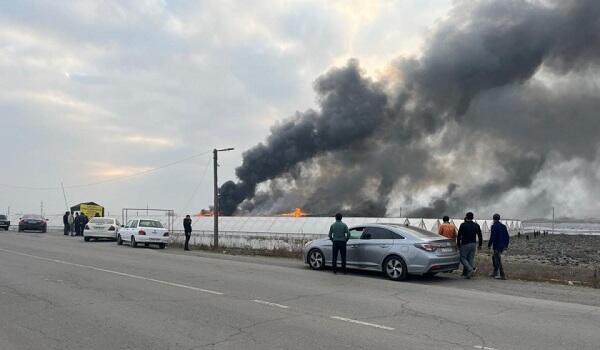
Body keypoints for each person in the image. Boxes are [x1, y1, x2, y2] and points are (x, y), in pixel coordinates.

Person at [457, 212, 483, 279]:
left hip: (465, 244)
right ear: (472, 217)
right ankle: (469, 275)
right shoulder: (476, 225)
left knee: (462, 258)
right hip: (473, 244)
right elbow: (480, 236)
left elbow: (459, 235)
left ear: (466, 217)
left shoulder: (463, 225)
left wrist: (458, 244)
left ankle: (470, 269)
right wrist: (480, 245)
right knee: (470, 259)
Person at [488, 213, 510, 280]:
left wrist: (489, 245)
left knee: (497, 260)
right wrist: (506, 245)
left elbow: (492, 237)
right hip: (502, 245)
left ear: (493, 219)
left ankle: (502, 275)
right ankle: (495, 272)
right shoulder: (503, 226)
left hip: (497, 245)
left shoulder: (493, 226)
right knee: (494, 258)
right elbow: (507, 236)